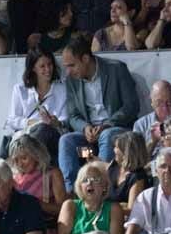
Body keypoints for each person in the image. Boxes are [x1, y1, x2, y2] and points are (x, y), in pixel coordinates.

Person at [56, 37, 139, 190]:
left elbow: (131, 107)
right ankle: (72, 192)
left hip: (115, 132)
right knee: (66, 140)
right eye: (66, 66)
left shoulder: (116, 69)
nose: (68, 71)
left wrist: (107, 125)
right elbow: (73, 116)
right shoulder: (71, 81)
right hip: (90, 144)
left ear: (86, 59)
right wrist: (85, 128)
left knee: (107, 136)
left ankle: (103, 188)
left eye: (72, 65)